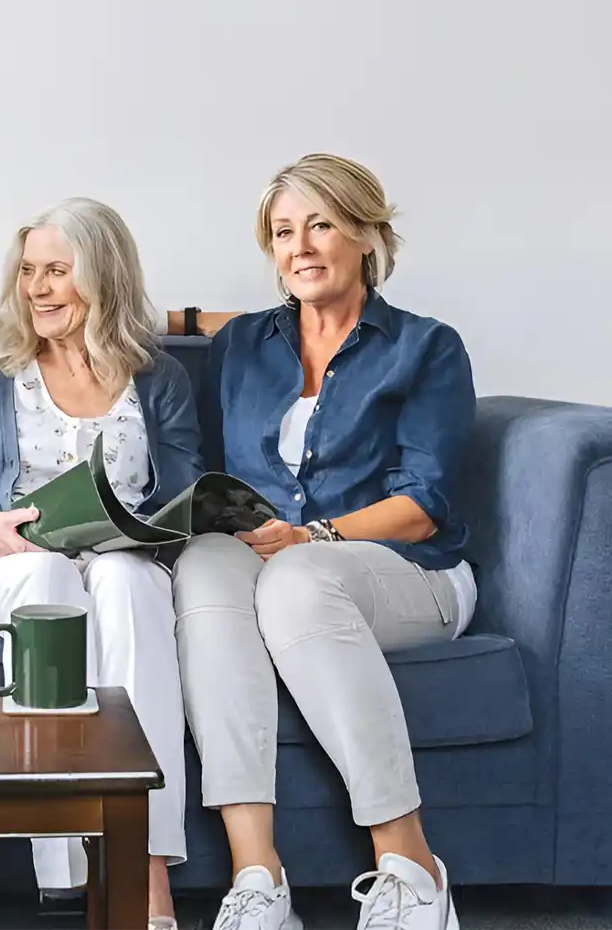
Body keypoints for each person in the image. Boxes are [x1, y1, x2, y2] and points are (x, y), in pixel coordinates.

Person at [172, 153, 475, 930]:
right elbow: (195, 346)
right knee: (203, 565)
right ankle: (257, 879)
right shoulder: (245, 344)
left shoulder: (426, 347)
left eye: (321, 226)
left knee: (297, 580)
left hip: (408, 572)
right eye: (283, 233)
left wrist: (312, 535)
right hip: (273, 562)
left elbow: (424, 507)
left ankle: (412, 869)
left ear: (367, 234)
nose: (299, 247)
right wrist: (172, 319)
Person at [0, 197, 203, 930]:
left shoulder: (159, 378)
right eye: (29, 270)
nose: (37, 288)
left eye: (57, 272)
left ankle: (145, 870)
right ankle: (70, 868)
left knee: (128, 581)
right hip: (2, 572)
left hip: (118, 565)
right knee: (49, 578)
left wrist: (147, 534)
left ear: (103, 278)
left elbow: (184, 497)